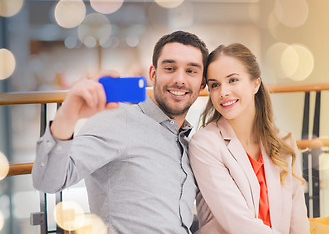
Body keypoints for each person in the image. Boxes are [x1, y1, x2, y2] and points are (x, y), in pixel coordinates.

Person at [32, 30, 208, 234]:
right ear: (153, 74)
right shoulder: (118, 119)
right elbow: (47, 181)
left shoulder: (188, 145)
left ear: (202, 83)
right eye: (169, 68)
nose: (179, 79)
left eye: (191, 71)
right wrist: (68, 115)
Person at [188, 43, 310, 234]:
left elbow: (298, 221)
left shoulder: (284, 143)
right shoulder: (204, 144)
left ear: (256, 84)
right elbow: (239, 225)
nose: (223, 92)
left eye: (233, 80)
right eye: (215, 85)